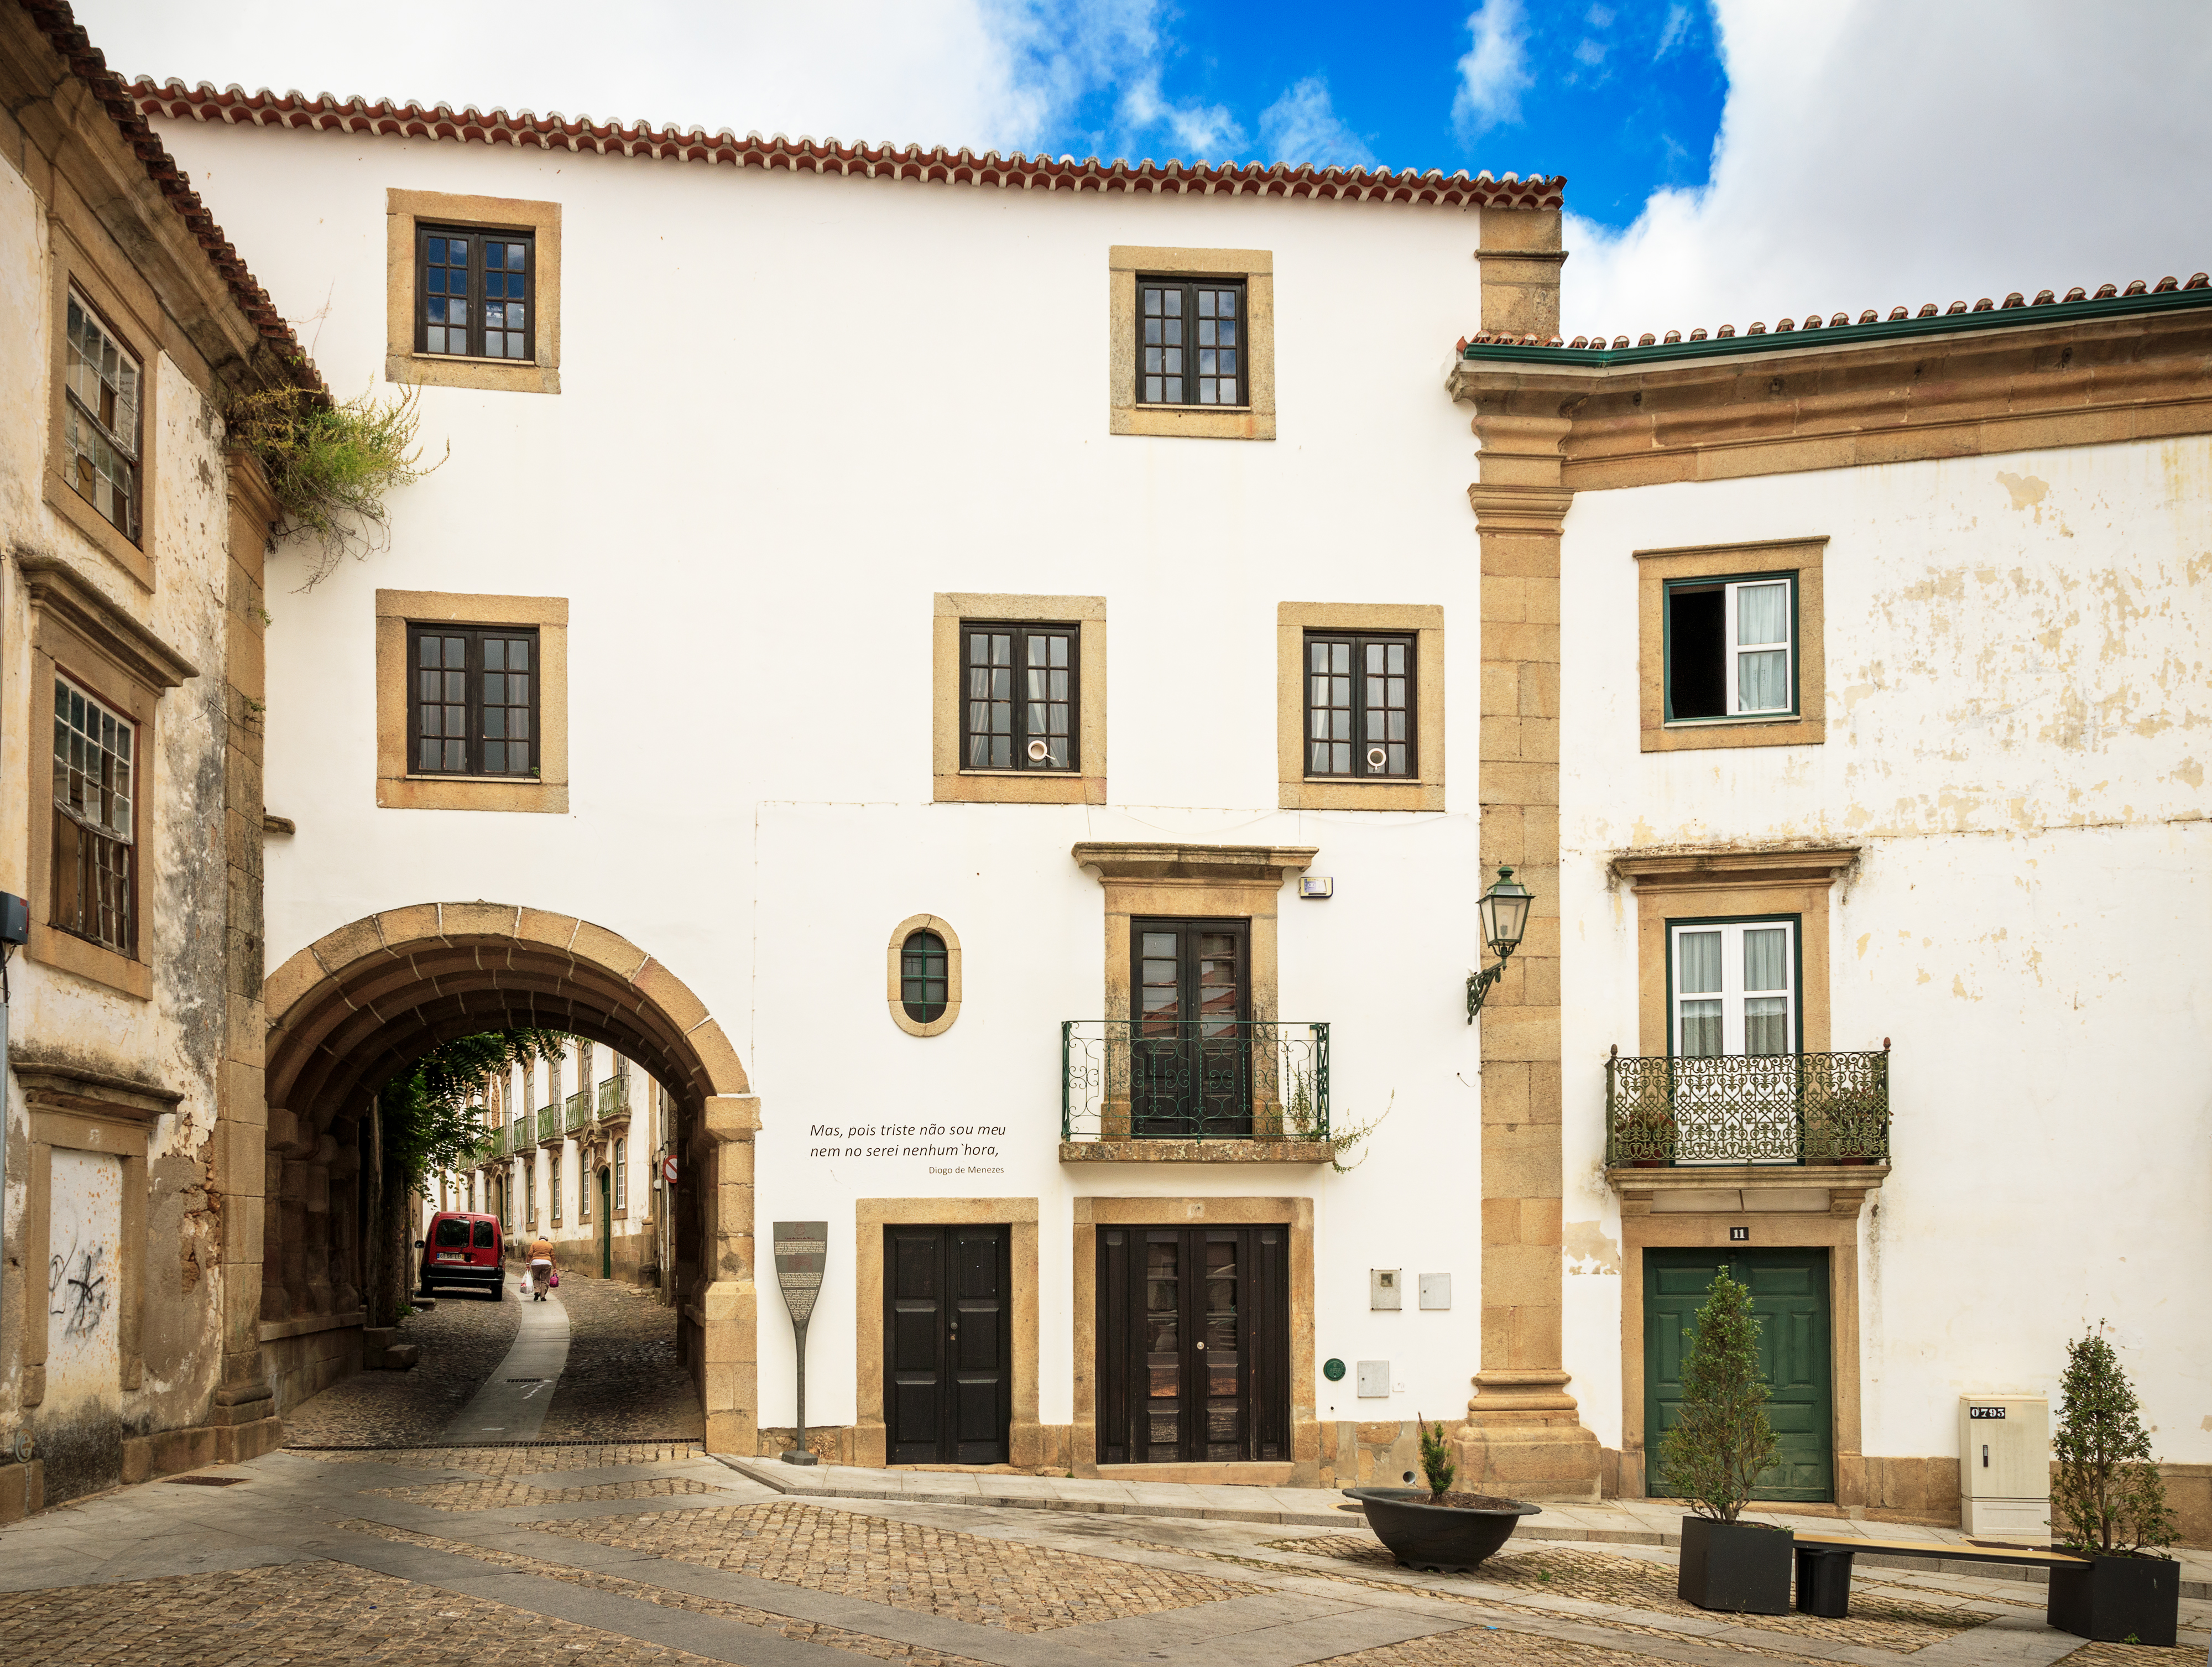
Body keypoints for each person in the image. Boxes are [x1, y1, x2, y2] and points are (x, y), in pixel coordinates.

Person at [526, 1233, 555, 1303]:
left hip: (535, 1263)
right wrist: (555, 1268)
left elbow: (530, 1254)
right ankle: (543, 1296)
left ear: (540, 1239)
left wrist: (527, 1264)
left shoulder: (534, 1244)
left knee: (536, 1278)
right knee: (545, 1280)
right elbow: (553, 1258)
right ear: (547, 1240)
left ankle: (537, 1291)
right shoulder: (549, 1245)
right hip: (547, 1263)